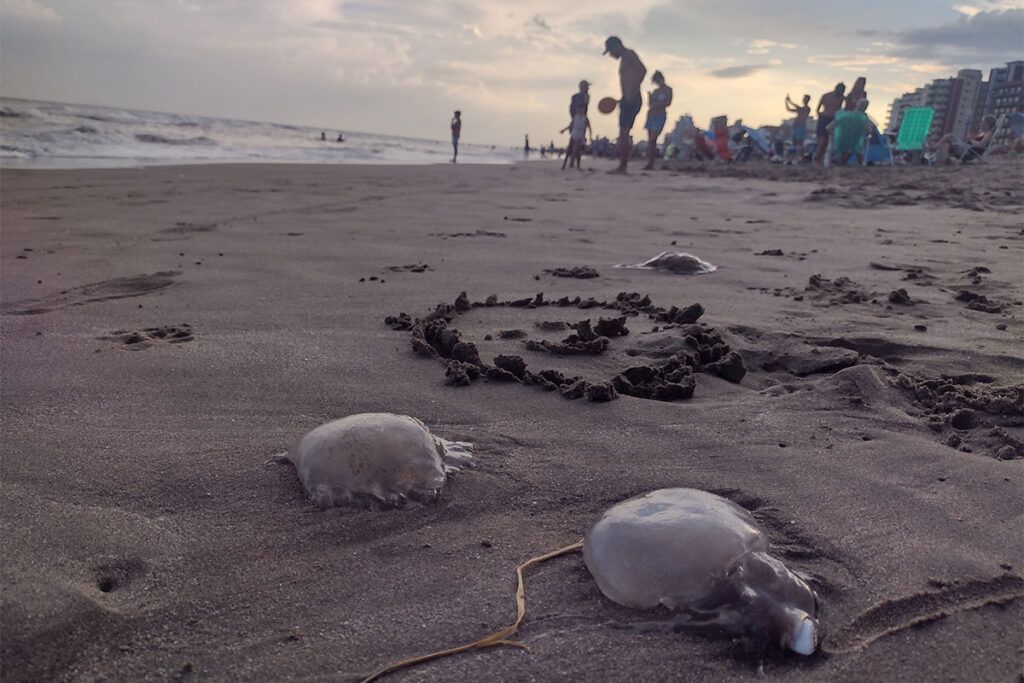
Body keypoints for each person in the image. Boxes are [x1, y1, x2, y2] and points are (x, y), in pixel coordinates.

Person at [603, 36, 646, 174]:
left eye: (610, 51)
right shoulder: (625, 58)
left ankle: (623, 167)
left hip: (632, 98)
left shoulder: (629, 54)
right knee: (623, 134)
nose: (611, 55)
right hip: (627, 98)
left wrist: (632, 92)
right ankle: (623, 165)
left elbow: (642, 70)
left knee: (624, 133)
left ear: (617, 46)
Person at [930, 114, 997, 163]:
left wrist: (971, 140)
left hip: (968, 151)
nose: (981, 124)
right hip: (966, 148)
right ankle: (938, 161)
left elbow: (981, 145)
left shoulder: (988, 134)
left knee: (949, 136)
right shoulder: (983, 133)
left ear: (987, 124)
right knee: (946, 144)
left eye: (982, 122)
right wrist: (970, 138)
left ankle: (934, 148)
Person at [825, 99, 871, 165]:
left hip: (840, 142)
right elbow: (869, 131)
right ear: (866, 108)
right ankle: (860, 163)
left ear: (856, 105)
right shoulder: (863, 118)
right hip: (855, 144)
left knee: (845, 142)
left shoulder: (844, 116)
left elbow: (828, 128)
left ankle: (838, 161)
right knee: (856, 142)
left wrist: (834, 135)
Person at [642, 71, 672, 170]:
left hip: (660, 116)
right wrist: (649, 97)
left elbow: (668, 103)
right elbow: (650, 104)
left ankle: (651, 163)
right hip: (651, 115)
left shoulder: (668, 90)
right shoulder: (655, 91)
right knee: (651, 142)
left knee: (653, 139)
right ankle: (650, 163)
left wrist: (657, 104)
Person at [814, 82, 845, 165]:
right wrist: (820, 115)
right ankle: (817, 158)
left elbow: (841, 108)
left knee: (830, 140)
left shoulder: (842, 98)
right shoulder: (826, 96)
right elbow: (818, 108)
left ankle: (822, 158)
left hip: (833, 119)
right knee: (822, 140)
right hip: (824, 118)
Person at [785, 93, 811, 161]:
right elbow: (789, 109)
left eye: (805, 99)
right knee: (795, 141)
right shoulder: (801, 108)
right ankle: (796, 156)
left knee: (800, 142)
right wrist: (786, 102)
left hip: (801, 126)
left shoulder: (807, 108)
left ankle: (800, 156)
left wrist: (790, 101)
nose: (803, 100)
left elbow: (798, 108)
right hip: (795, 126)